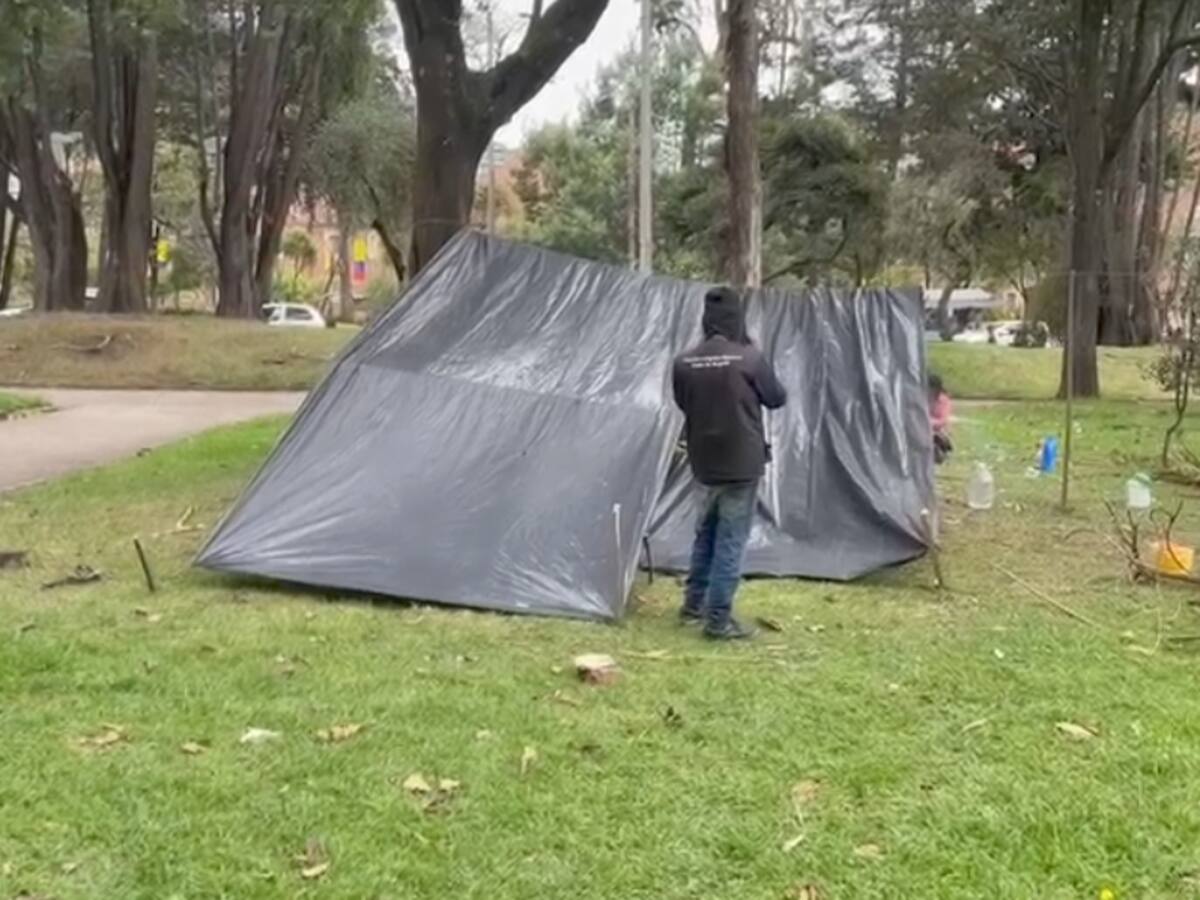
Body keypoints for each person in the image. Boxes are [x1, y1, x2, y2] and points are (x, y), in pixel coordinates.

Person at [671, 286, 788, 640]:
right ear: (738, 318)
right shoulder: (749, 359)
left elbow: (683, 403)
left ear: (706, 320)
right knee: (731, 539)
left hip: (703, 461)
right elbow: (777, 398)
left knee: (705, 532)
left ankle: (694, 604)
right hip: (741, 462)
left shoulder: (684, 362)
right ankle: (718, 619)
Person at [929, 372, 953, 464]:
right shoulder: (922, 399)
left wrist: (929, 422)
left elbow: (943, 420)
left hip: (938, 431)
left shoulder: (943, 401)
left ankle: (939, 451)